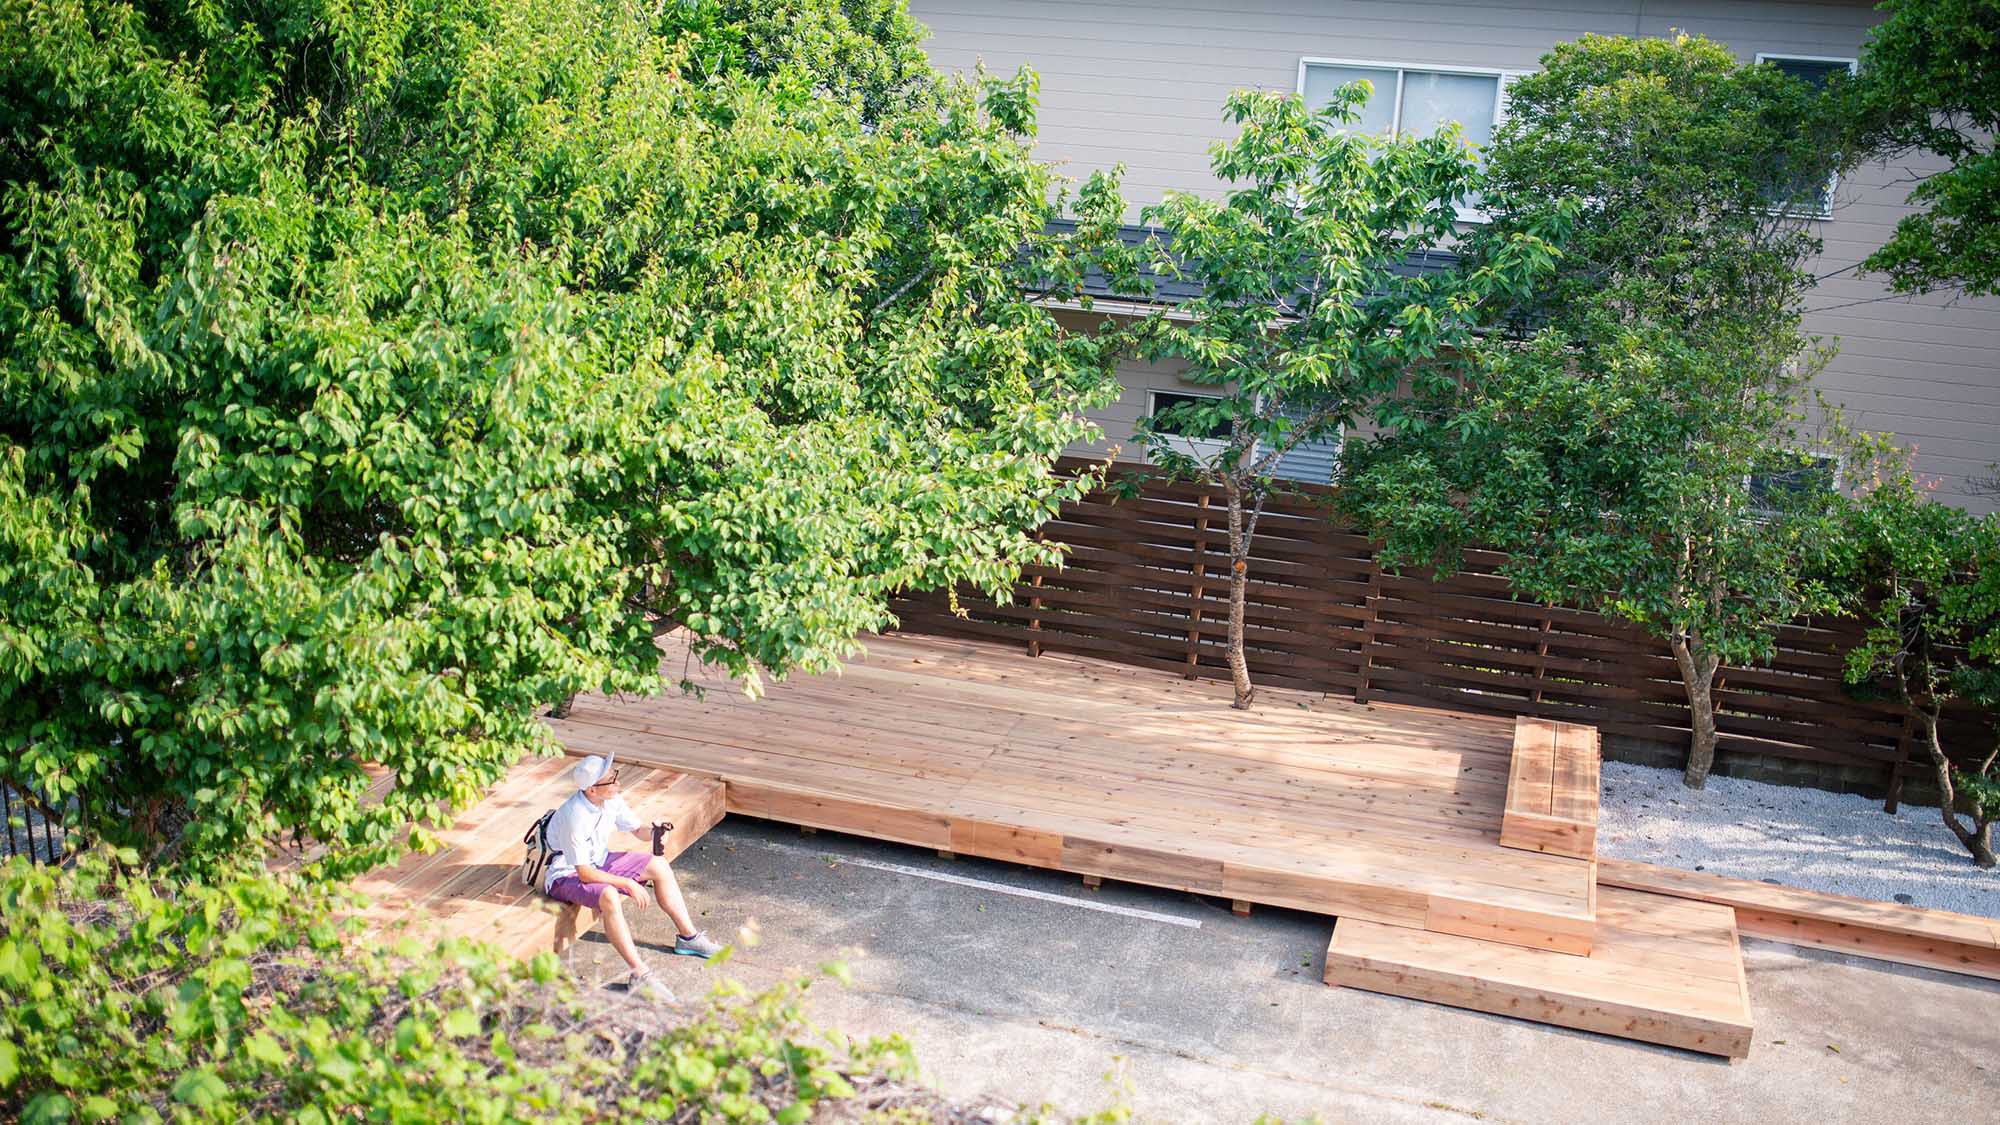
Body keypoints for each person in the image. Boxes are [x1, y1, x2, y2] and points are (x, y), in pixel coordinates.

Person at [543, 752, 723, 1001]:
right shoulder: (575, 816)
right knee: (608, 895)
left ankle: (689, 938)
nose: (617, 783)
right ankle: (640, 974)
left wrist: (656, 832)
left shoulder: (611, 799)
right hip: (566, 873)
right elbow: (584, 874)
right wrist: (626, 882)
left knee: (658, 866)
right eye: (610, 779)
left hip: (599, 861)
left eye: (614, 775)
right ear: (592, 790)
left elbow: (637, 829)